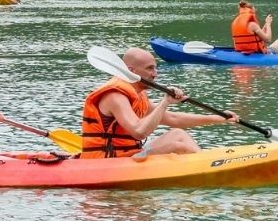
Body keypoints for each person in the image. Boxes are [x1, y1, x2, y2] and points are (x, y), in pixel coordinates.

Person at [80, 47, 238, 160]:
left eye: (155, 68)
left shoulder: (138, 95)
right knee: (178, 146)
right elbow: (139, 132)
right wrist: (165, 102)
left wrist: (218, 118)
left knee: (178, 133)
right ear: (131, 70)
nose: (155, 74)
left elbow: (173, 119)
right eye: (150, 69)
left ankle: (205, 163)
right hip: (108, 160)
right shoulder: (115, 96)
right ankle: (208, 166)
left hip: (129, 154)